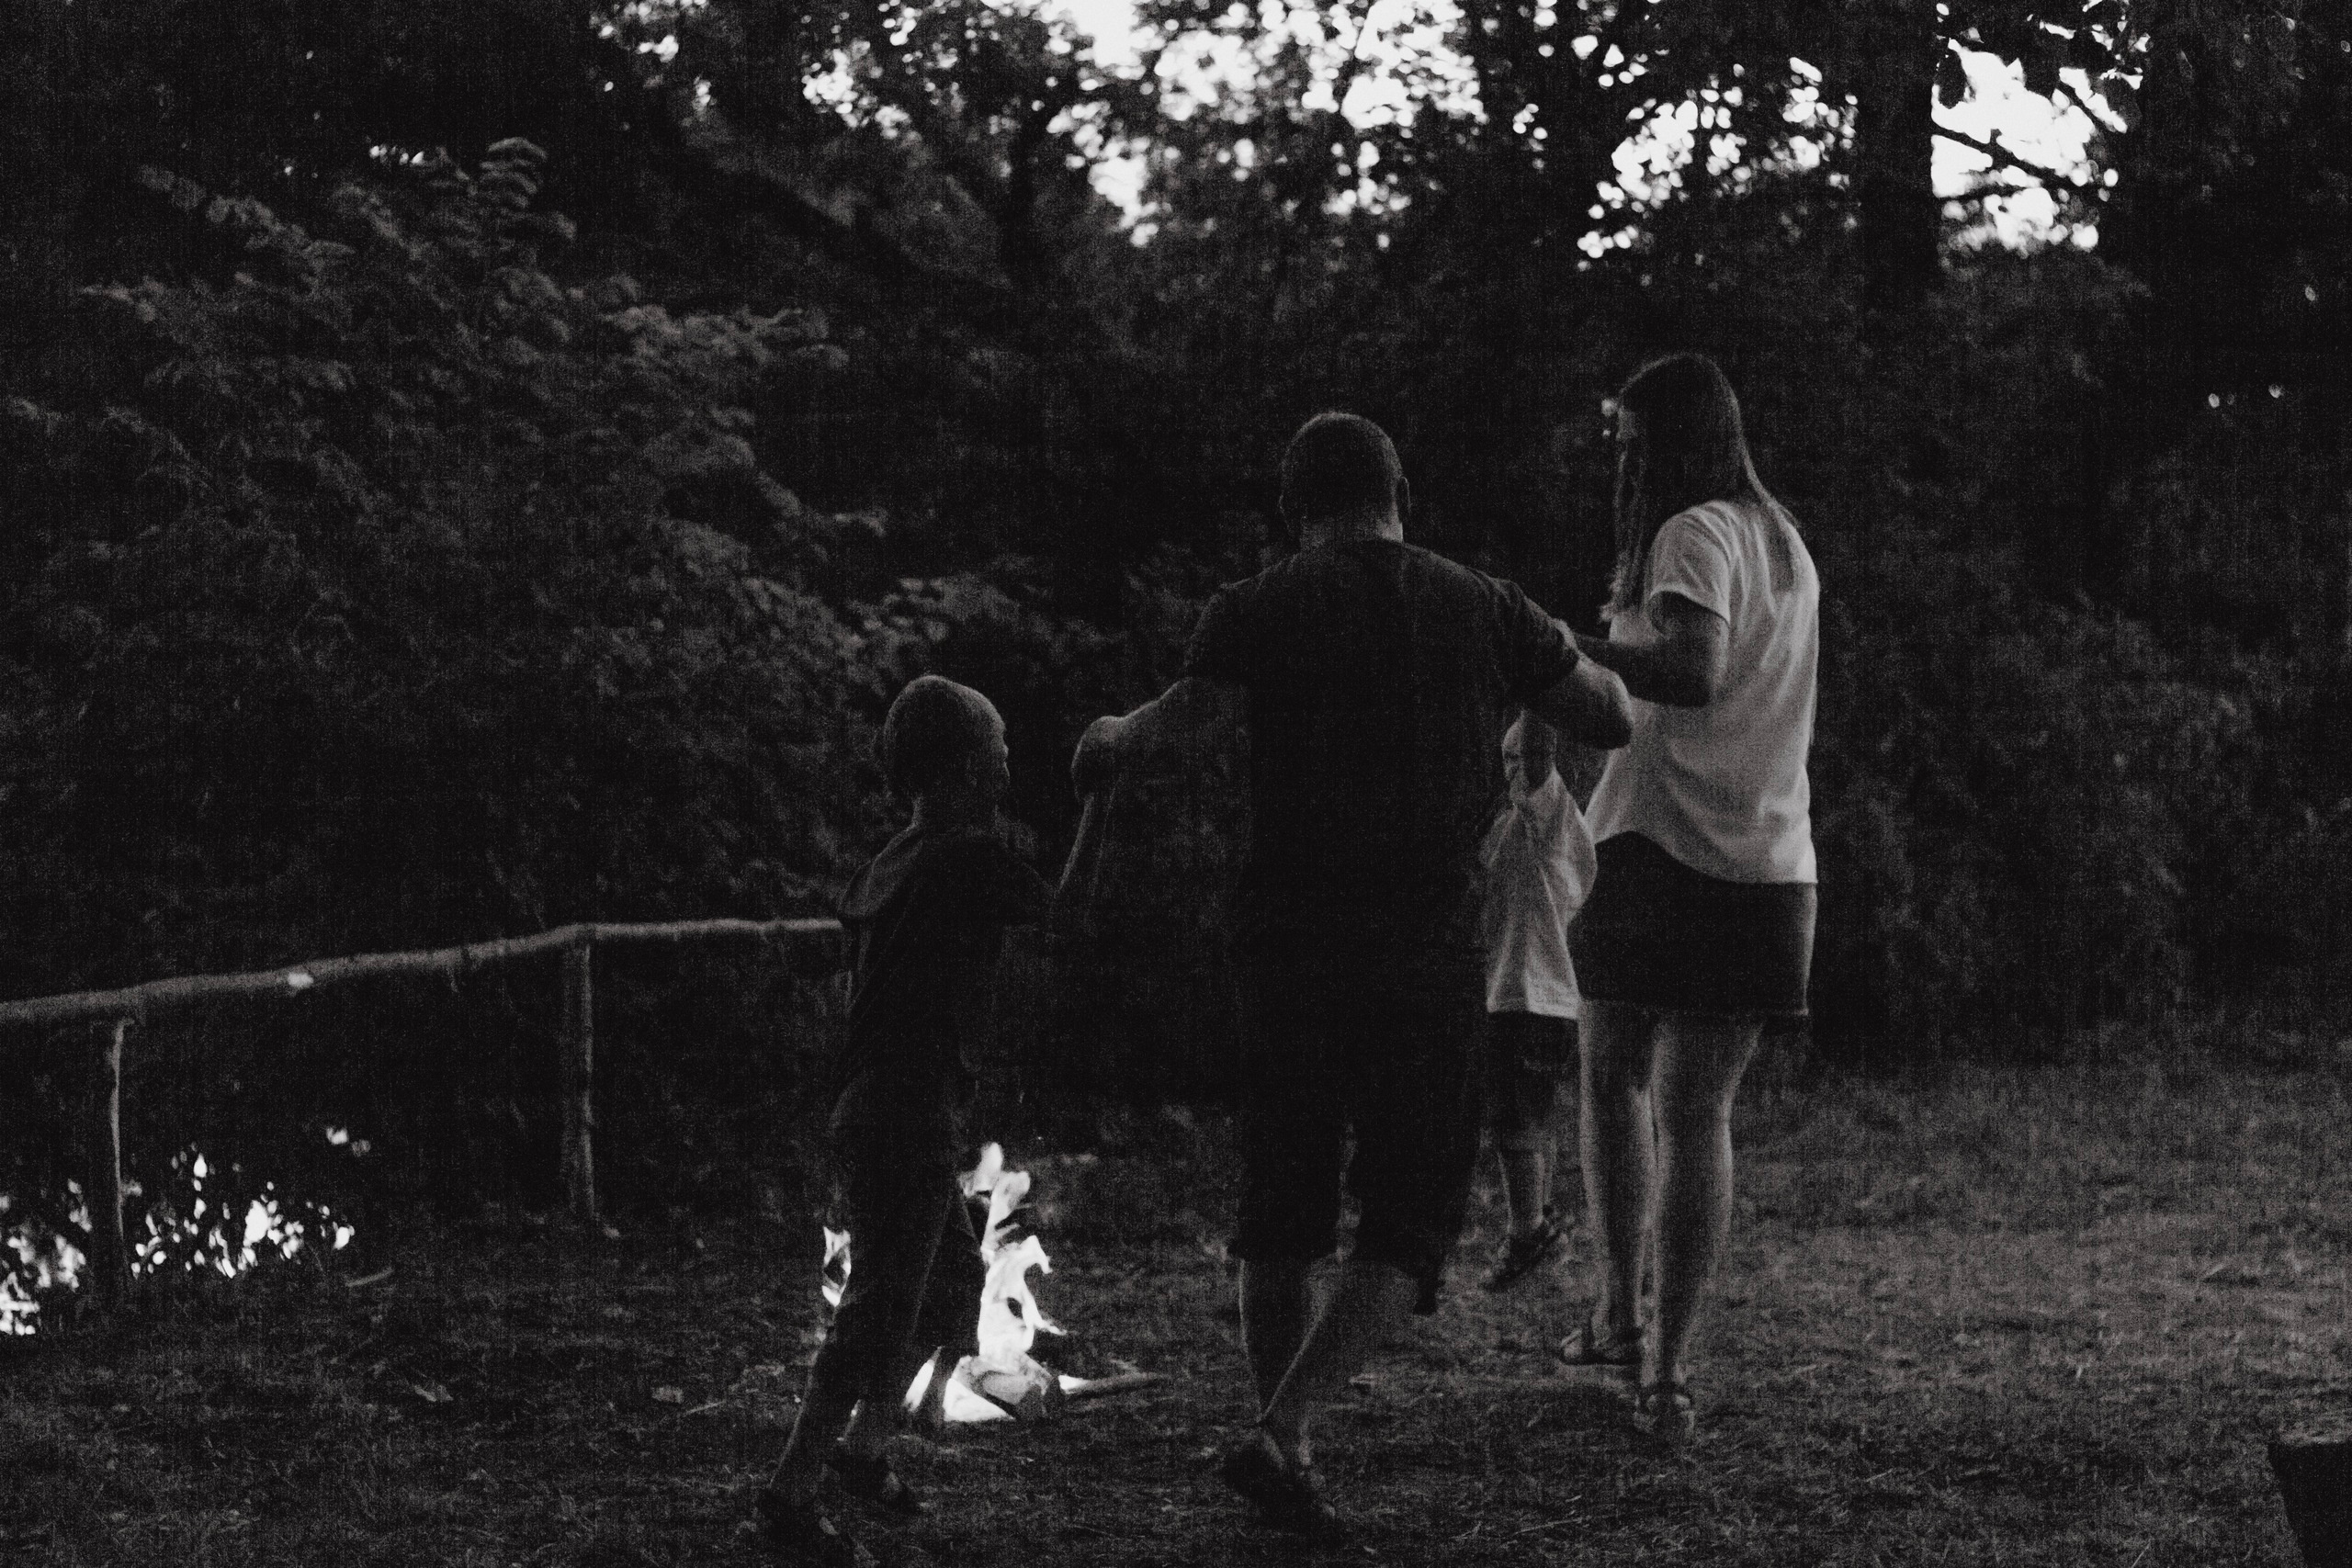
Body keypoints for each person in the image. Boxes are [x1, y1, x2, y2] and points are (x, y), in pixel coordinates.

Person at [1073, 412, 1632, 1536]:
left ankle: (1288, 1436)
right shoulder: (1485, 604)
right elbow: (1611, 718)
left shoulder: (1263, 605)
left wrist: (1110, 738)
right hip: (1422, 951)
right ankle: (1285, 1430)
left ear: (1297, 507)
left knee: (1280, 1207)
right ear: (1400, 493)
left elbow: (1177, 733)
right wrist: (1542, 661)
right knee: (1411, 1215)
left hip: (1284, 943)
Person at [1557, 354, 1818, 1439]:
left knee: (1613, 1077)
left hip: (1663, 848)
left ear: (1664, 442)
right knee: (1699, 1112)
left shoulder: (1691, 533)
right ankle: (1664, 1369)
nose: (1619, 460)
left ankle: (1622, 1320)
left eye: (1628, 440)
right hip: (1770, 861)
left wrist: (1554, 647)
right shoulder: (1783, 542)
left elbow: (1694, 669)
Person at [757, 676, 1052, 1564]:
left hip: (877, 1108)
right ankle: (790, 1491)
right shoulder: (964, 855)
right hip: (904, 1115)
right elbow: (1066, 913)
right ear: (967, 765)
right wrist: (1106, 804)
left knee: (951, 1284)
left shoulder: (893, 860)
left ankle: (864, 1449)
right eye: (999, 743)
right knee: (879, 1310)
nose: (1009, 756)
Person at [1476, 710, 1596, 1291]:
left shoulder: (1550, 818)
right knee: (1531, 1117)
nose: (1515, 767)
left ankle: (1527, 1230)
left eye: (1522, 757)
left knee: (1514, 1121)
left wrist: (1539, 682)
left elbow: (1539, 743)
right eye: (1507, 759)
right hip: (1524, 997)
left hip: (1530, 996)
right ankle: (1537, 1223)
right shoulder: (1508, 826)